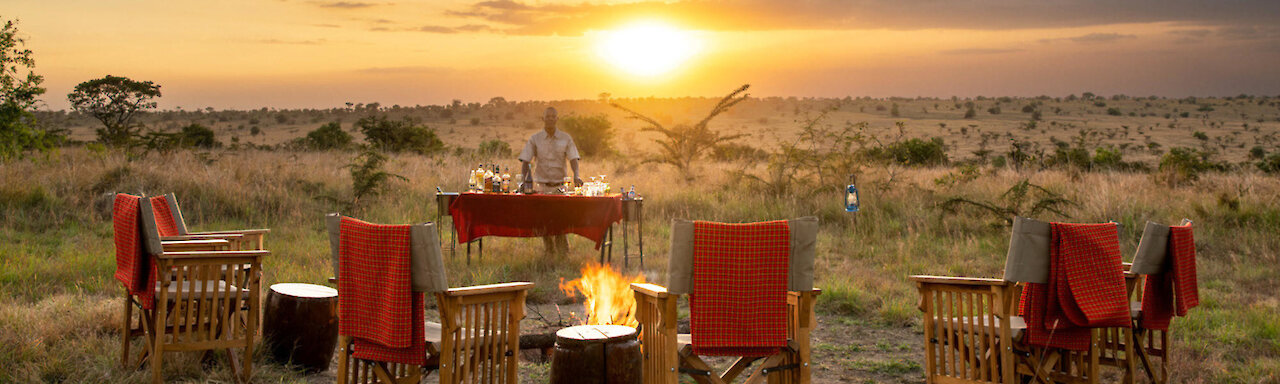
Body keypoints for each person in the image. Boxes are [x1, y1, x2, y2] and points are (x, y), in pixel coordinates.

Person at [518, 107, 583, 256]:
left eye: (553, 117)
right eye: (548, 117)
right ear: (543, 119)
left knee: (560, 219)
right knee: (543, 221)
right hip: (541, 186)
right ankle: (549, 252)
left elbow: (573, 158)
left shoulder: (566, 138)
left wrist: (576, 175)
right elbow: (525, 161)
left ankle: (563, 252)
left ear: (557, 119)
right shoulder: (535, 139)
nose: (550, 119)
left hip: (560, 186)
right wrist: (523, 182)